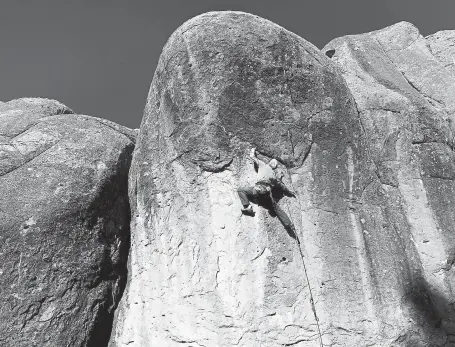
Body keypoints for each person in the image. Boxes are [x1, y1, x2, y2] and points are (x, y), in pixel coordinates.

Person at [237, 148, 298, 239]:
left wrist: (252, 150)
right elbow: (282, 186)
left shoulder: (263, 165)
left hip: (257, 190)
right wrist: (289, 192)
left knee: (241, 190)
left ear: (270, 163)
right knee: (277, 209)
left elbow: (252, 157)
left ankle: (247, 207)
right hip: (267, 194)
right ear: (275, 167)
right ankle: (288, 224)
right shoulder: (274, 176)